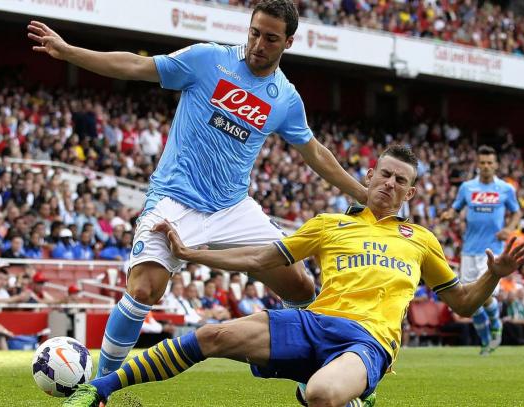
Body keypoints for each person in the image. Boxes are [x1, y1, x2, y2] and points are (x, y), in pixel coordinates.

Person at [28, 0, 369, 377]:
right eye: (255, 33)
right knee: (143, 290)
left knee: (302, 288)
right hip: (176, 199)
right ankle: (100, 387)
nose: (258, 44)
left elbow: (316, 153)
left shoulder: (285, 97)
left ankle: (303, 368)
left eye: (271, 39)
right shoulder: (207, 59)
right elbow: (136, 66)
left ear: (288, 42)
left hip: (233, 209)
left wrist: (364, 196)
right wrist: (68, 52)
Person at [62, 145, 524, 407]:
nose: (389, 184)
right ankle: (97, 391)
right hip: (313, 322)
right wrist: (192, 253)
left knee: (322, 395)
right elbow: (261, 259)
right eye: (384, 175)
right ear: (368, 176)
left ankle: (335, 391)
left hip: (368, 340)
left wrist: (494, 275)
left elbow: (465, 303)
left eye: (400, 180)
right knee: (211, 335)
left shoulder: (422, 239)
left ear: (410, 192)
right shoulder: (329, 226)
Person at [440, 145, 521, 355]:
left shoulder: (505, 189)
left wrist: (509, 229)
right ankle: (485, 340)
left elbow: (516, 213)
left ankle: (495, 322)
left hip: (493, 251)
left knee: (485, 297)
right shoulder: (467, 187)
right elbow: (455, 208)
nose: (485, 166)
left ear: (495, 165)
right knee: (469, 299)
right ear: (478, 164)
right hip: (469, 250)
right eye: (482, 163)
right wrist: (449, 214)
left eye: (489, 163)